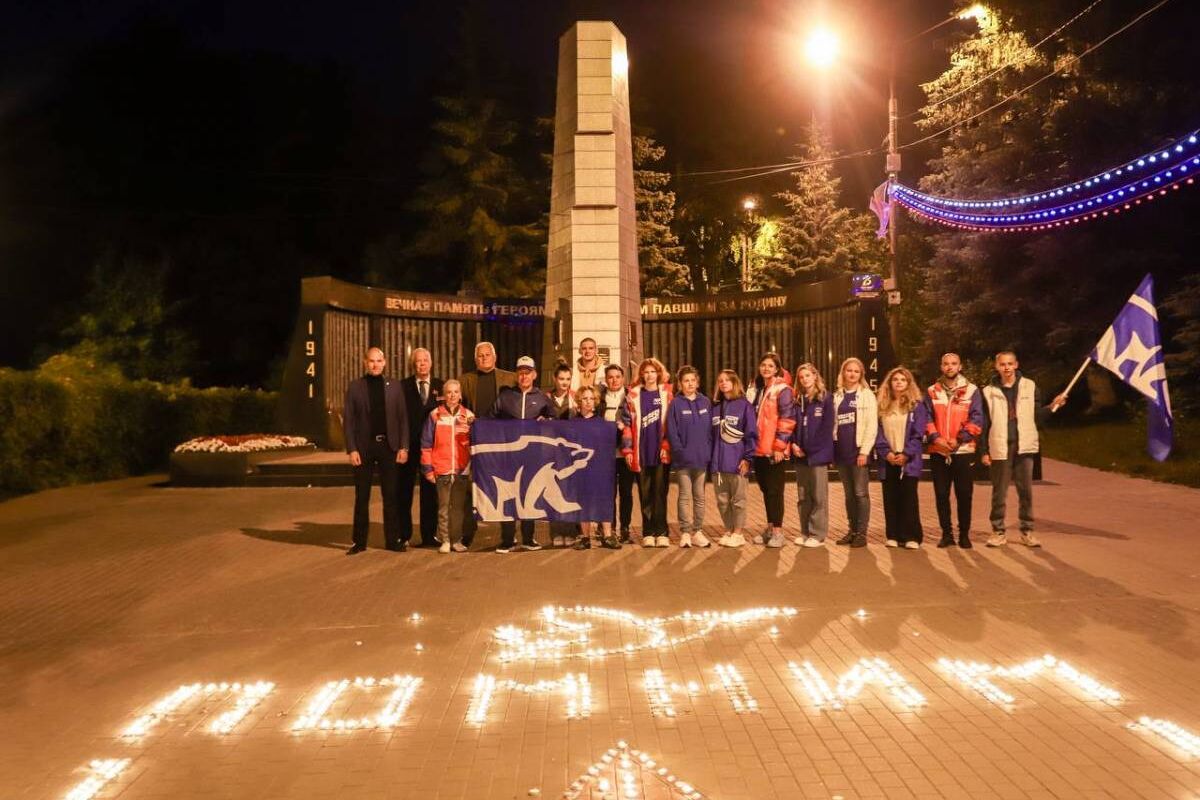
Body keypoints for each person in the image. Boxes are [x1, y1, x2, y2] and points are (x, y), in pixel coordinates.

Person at [979, 351, 1066, 548]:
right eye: (1002, 364)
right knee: (999, 492)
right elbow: (984, 424)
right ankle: (998, 531)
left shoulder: (1030, 386)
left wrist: (1054, 406)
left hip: (1024, 446)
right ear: (997, 367)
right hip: (1000, 445)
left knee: (1025, 491)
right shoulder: (987, 391)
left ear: (1016, 364)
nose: (1007, 367)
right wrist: (983, 450)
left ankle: (1027, 530)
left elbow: (1036, 416)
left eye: (1010, 363)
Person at [342, 347, 409, 555]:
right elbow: (349, 422)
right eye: (371, 361)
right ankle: (359, 542)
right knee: (362, 496)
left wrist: (404, 446)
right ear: (365, 362)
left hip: (389, 447)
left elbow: (402, 418)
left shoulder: (395, 386)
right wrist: (352, 449)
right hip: (364, 449)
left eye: (379, 361)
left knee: (390, 495)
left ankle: (392, 540)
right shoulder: (355, 387)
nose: (375, 364)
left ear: (385, 362)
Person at [490, 355, 554, 553]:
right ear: (516, 375)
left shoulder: (543, 398)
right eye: (520, 372)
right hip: (508, 455)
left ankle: (528, 538)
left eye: (528, 372)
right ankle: (507, 540)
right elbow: (488, 420)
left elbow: (555, 421)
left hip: (533, 456)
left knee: (529, 494)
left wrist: (548, 421)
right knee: (508, 494)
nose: (524, 376)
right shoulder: (505, 396)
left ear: (534, 374)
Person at [457, 342, 515, 547]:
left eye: (487, 355)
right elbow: (458, 406)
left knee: (506, 488)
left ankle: (508, 537)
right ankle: (466, 536)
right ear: (475, 359)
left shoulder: (510, 378)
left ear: (495, 356)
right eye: (480, 356)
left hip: (502, 444)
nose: (484, 358)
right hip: (476, 444)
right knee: (470, 492)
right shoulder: (465, 380)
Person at [924, 353, 983, 549]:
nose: (950, 367)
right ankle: (946, 534)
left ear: (960, 366)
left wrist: (959, 439)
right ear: (941, 367)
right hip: (938, 451)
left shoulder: (972, 391)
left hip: (963, 450)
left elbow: (977, 420)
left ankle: (964, 535)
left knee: (964, 494)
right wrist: (936, 439)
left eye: (954, 364)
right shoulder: (932, 391)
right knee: (941, 494)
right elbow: (926, 419)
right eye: (946, 364)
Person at [621, 357, 672, 547]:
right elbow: (627, 424)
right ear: (641, 374)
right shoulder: (633, 394)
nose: (649, 375)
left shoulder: (667, 393)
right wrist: (627, 450)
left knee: (660, 492)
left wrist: (667, 445)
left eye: (653, 371)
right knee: (644, 493)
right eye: (646, 372)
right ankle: (648, 532)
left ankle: (662, 532)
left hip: (661, 453)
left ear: (659, 373)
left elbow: (671, 424)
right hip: (640, 452)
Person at [875, 366, 928, 549]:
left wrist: (906, 453)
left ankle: (912, 536)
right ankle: (893, 535)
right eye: (895, 379)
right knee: (890, 497)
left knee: (908, 497)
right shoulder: (881, 405)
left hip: (909, 459)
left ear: (908, 383)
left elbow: (918, 433)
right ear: (890, 383)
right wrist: (887, 453)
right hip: (888, 458)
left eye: (903, 380)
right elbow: (877, 432)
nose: (899, 382)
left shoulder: (917, 406)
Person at [745, 353, 794, 548]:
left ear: (777, 369)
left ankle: (778, 533)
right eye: (763, 365)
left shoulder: (783, 390)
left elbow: (787, 419)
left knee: (775, 491)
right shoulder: (757, 389)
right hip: (759, 449)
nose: (766, 368)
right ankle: (769, 528)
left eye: (770, 366)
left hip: (774, 450)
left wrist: (780, 446)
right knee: (766, 491)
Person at [420, 379, 474, 554]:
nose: (452, 395)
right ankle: (444, 539)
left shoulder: (468, 416)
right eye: (449, 392)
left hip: (461, 468)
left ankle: (456, 540)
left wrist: (471, 467)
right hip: (441, 468)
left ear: (460, 395)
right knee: (443, 508)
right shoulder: (434, 415)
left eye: (456, 392)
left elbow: (475, 443)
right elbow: (426, 444)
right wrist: (428, 469)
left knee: (458, 508)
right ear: (444, 395)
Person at [399, 348, 443, 547]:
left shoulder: (441, 387)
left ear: (431, 363)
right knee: (404, 491)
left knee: (430, 493)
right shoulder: (403, 386)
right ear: (413, 364)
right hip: (408, 447)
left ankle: (429, 535)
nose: (422, 364)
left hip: (433, 449)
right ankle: (404, 534)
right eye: (418, 361)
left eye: (426, 360)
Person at [833, 357, 877, 549]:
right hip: (841, 452)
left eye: (856, 371)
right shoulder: (837, 395)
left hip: (858, 452)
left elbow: (872, 426)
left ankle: (861, 533)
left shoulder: (867, 395)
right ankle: (851, 530)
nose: (852, 374)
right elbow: (833, 425)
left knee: (860, 493)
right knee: (849, 494)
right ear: (843, 372)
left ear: (861, 375)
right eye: (848, 370)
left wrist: (864, 451)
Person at [710, 369, 757, 548]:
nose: (723, 383)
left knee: (738, 500)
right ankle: (729, 530)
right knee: (722, 501)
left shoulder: (745, 406)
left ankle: (738, 533)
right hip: (718, 464)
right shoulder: (715, 408)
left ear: (735, 382)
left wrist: (747, 458)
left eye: (727, 380)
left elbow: (751, 434)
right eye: (720, 380)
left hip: (737, 462)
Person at [667, 365, 713, 548]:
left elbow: (710, 430)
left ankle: (698, 532)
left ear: (697, 382)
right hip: (683, 460)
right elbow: (672, 431)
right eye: (686, 381)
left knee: (700, 496)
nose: (690, 384)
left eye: (693, 380)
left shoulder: (705, 402)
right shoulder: (675, 404)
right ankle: (685, 532)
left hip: (701, 459)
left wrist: (707, 451)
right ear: (680, 384)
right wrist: (680, 451)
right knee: (685, 496)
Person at [572, 385, 622, 550]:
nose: (588, 402)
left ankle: (607, 535)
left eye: (591, 398)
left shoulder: (602, 423)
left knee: (604, 498)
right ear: (579, 401)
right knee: (583, 500)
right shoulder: (573, 423)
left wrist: (619, 429)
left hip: (599, 468)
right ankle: (585, 537)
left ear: (595, 402)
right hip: (580, 469)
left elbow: (614, 441)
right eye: (584, 398)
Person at [791, 362, 834, 548]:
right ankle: (805, 532)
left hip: (817, 456)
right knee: (803, 496)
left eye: (807, 375)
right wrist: (793, 444)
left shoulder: (825, 398)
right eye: (801, 377)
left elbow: (826, 429)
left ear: (815, 376)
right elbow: (792, 424)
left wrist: (809, 449)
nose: (804, 379)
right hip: (800, 455)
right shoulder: (798, 400)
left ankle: (817, 534)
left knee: (818, 496)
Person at [600, 364, 636, 542]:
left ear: (623, 379)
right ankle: (609, 529)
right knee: (608, 493)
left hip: (626, 453)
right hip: (606, 455)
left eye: (617, 376)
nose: (614, 380)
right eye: (610, 377)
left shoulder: (631, 396)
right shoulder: (600, 398)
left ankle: (626, 528)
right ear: (606, 379)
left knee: (626, 493)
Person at [547, 361, 578, 546]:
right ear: (554, 379)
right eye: (561, 379)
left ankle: (571, 532)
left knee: (570, 493)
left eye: (568, 379)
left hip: (569, 453)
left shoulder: (575, 398)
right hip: (550, 454)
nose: (564, 382)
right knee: (553, 492)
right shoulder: (545, 398)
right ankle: (556, 532)